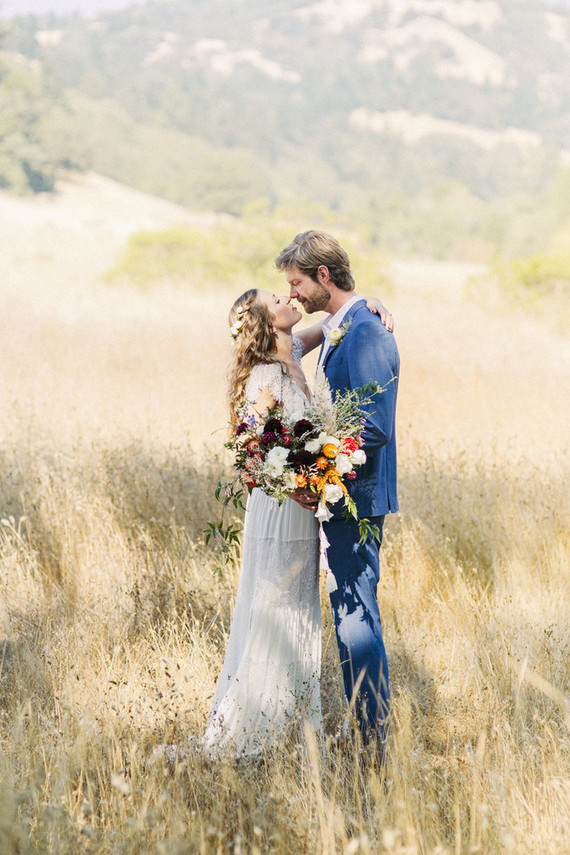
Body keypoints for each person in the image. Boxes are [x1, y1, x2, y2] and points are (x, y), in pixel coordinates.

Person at [203, 286, 393, 757]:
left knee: (298, 609)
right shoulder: (266, 374)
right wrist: (298, 486)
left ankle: (290, 724)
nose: (290, 298)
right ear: (268, 324)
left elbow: (337, 321)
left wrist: (371, 303)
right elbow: (249, 454)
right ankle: (257, 726)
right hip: (280, 507)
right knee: (273, 606)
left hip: (305, 509)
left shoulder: (295, 351)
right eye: (277, 299)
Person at [275, 231, 399, 751]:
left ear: (324, 276)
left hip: (357, 495)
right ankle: (361, 726)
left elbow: (372, 427)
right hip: (341, 494)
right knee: (349, 609)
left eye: (297, 282)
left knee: (355, 615)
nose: (294, 293)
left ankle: (371, 737)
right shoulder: (342, 326)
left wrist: (314, 477)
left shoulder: (366, 332)